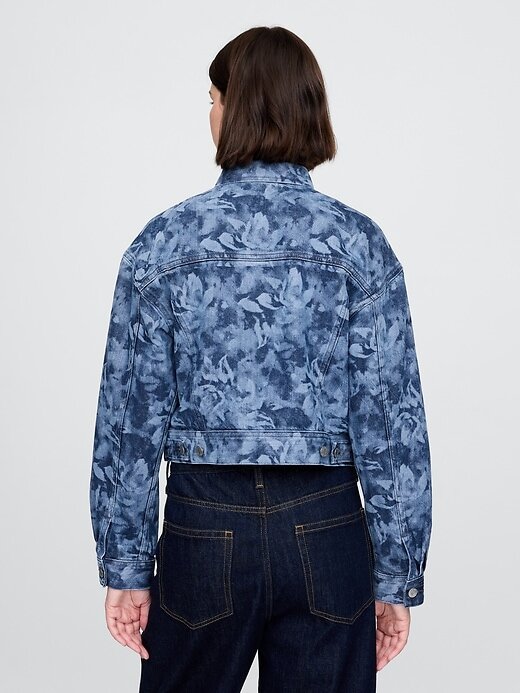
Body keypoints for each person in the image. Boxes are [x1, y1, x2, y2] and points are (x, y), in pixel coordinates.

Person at [89, 25, 432, 693]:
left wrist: (126, 564)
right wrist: (396, 572)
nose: (210, 113)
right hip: (328, 528)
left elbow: (129, 420)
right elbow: (393, 423)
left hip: (203, 527)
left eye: (213, 98)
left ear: (237, 107)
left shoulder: (164, 243)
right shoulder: (359, 245)